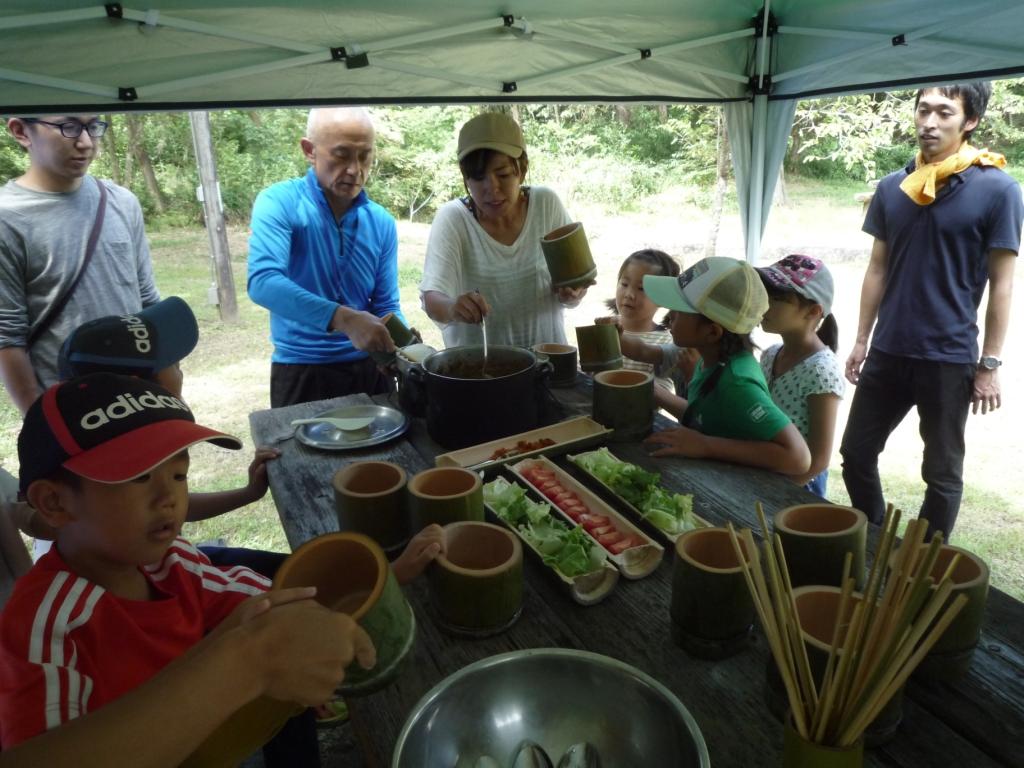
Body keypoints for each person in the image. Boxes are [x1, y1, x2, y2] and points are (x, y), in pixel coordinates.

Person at [0, 373, 375, 765]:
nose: (169, 498)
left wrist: (383, 579)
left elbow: (270, 601)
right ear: (54, 503)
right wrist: (246, 661)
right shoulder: (45, 623)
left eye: (179, 475)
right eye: (138, 477)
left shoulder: (170, 562)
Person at [54, 296, 446, 584]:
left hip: (184, 558)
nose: (181, 370)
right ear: (140, 391)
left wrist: (246, 494)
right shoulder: (122, 548)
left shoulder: (112, 455)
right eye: (173, 364)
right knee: (310, 579)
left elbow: (171, 509)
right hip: (181, 574)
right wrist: (392, 576)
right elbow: (270, 609)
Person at [840, 82, 1023, 537]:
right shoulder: (892, 186)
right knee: (856, 454)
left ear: (970, 122)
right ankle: (877, 536)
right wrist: (861, 340)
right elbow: (877, 269)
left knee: (941, 475)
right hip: (888, 350)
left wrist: (991, 363)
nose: (930, 122)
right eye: (924, 110)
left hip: (948, 356)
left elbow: (1003, 284)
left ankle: (920, 563)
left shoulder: (998, 189)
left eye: (945, 112)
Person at [0, 114, 160, 415]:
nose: (86, 142)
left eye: (93, 126)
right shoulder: (7, 218)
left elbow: (147, 301)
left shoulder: (122, 202)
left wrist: (169, 388)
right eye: (68, 126)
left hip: (142, 399)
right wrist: (43, 424)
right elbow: (7, 337)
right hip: (71, 413)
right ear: (21, 131)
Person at [248, 107, 403, 408]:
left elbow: (385, 305)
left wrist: (400, 344)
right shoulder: (280, 202)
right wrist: (344, 319)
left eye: (365, 156)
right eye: (342, 155)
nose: (355, 169)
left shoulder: (381, 221)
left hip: (371, 371)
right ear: (310, 150)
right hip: (302, 370)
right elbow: (263, 282)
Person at [420, 111, 589, 348]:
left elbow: (576, 279)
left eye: (503, 174)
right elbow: (431, 299)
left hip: (548, 364)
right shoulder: (453, 218)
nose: (492, 189)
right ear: (466, 178)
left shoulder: (545, 204)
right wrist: (453, 307)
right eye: (478, 178)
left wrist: (573, 293)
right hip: (480, 371)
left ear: (522, 169)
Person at [641, 257, 811, 477]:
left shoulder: (738, 384)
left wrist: (705, 445)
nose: (669, 315)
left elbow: (798, 458)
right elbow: (708, 418)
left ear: (712, 332)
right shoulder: (712, 359)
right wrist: (651, 390)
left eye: (679, 311)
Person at [756, 255, 845, 498]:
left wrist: (778, 493)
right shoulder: (771, 355)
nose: (765, 305)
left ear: (813, 311)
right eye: (766, 296)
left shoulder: (820, 370)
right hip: (764, 471)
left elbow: (819, 459)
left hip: (800, 486)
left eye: (777, 299)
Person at [603, 248, 699, 393]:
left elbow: (664, 390)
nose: (629, 294)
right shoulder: (605, 330)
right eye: (624, 284)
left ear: (663, 299)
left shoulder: (665, 341)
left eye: (641, 289)